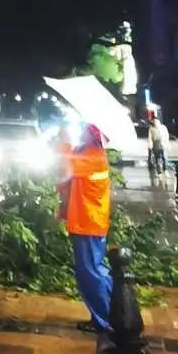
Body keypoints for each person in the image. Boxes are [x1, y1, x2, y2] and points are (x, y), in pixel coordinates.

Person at [57, 122, 113, 334]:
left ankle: (104, 319)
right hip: (85, 222)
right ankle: (108, 311)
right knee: (94, 269)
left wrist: (63, 141)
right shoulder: (87, 152)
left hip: (88, 223)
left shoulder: (94, 156)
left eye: (85, 128)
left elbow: (68, 166)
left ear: (93, 134)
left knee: (90, 271)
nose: (80, 130)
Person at [147, 111, 169, 175]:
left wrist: (167, 143)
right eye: (154, 121)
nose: (156, 122)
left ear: (159, 122)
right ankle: (158, 171)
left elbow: (166, 135)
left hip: (163, 144)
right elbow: (150, 137)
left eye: (157, 121)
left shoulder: (163, 127)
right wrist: (150, 145)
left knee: (164, 158)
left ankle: (165, 169)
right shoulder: (151, 129)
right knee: (156, 158)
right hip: (155, 144)